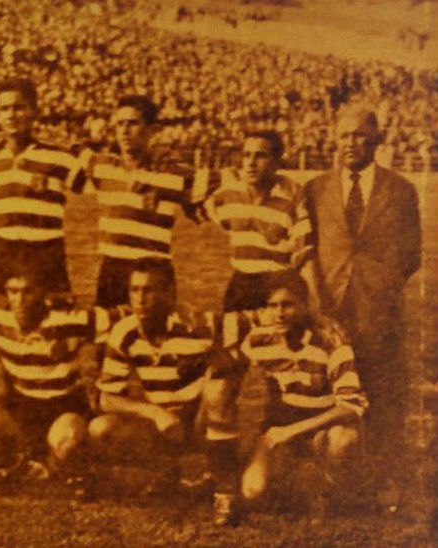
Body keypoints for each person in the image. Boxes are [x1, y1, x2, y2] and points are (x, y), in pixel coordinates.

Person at [301, 103, 421, 510]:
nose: (350, 143)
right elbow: (309, 249)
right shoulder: (315, 189)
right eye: (344, 135)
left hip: (379, 310)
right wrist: (322, 302)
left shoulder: (400, 189)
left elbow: (411, 255)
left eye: (359, 135)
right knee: (330, 393)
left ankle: (384, 478)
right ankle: (331, 479)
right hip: (330, 308)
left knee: (383, 393)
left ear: (377, 139)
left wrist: (378, 287)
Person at [208, 272, 367, 523]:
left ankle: (326, 492)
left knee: (342, 440)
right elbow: (223, 350)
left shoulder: (330, 340)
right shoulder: (260, 339)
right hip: (282, 425)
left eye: (287, 305)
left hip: (324, 424)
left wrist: (291, 431)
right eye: (272, 306)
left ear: (304, 305)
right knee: (252, 491)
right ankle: (296, 478)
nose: (280, 313)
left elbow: (350, 406)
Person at [88, 263, 239, 525]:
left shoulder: (198, 324)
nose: (140, 298)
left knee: (219, 390)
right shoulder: (124, 331)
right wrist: (154, 412)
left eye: (149, 290)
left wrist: (216, 380)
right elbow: (107, 397)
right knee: (101, 428)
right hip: (163, 421)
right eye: (134, 290)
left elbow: (244, 343)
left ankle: (224, 488)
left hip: (198, 420)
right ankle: (168, 472)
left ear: (170, 293)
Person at [0, 274, 118, 498]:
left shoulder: (70, 320)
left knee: (68, 441)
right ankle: (15, 464)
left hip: (63, 407)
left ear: (44, 295)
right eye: (13, 291)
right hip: (17, 406)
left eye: (28, 292)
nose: (19, 300)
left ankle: (47, 467)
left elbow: (121, 315)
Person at [0, 77, 87, 295]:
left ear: (34, 112)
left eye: (18, 108)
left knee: (54, 314)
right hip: (1, 253)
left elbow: (96, 185)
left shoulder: (60, 157)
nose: (11, 115)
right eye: (4, 109)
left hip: (45, 253)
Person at [81, 95, 194, 308]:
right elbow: (72, 153)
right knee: (108, 328)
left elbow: (209, 187)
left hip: (154, 270)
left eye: (133, 123)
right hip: (111, 270)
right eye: (120, 124)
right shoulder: (102, 167)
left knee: (156, 329)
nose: (125, 131)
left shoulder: (172, 173)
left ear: (151, 129)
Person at [195, 130, 313, 312]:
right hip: (240, 284)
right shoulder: (227, 195)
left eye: (260, 156)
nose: (250, 163)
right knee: (229, 328)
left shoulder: (294, 196)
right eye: (246, 155)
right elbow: (198, 203)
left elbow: (305, 256)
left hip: (278, 284)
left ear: (276, 162)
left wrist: (313, 307)